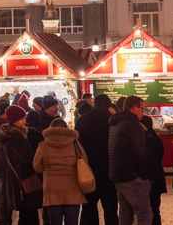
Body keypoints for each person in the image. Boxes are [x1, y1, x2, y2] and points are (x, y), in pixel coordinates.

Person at [108, 95, 153, 225]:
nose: (143, 112)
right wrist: (144, 176)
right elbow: (140, 152)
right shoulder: (133, 125)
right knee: (144, 213)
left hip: (118, 175)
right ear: (134, 108)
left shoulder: (115, 123)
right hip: (132, 176)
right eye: (142, 108)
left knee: (125, 213)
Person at [33, 117, 87, 225]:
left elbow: (37, 167)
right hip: (73, 187)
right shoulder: (75, 144)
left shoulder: (43, 145)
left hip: (52, 188)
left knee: (54, 221)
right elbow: (84, 161)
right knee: (72, 221)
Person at [77, 94, 117, 225]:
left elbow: (77, 145)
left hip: (88, 169)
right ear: (108, 106)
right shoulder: (110, 120)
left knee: (88, 208)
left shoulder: (83, 120)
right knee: (110, 208)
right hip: (108, 170)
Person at [1, 106, 42, 225]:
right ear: (13, 120)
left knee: (26, 213)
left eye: (24, 118)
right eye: (20, 119)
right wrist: (35, 166)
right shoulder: (16, 135)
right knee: (29, 212)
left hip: (16, 176)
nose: (24, 121)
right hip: (23, 176)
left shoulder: (12, 133)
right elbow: (25, 157)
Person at [136, 116, 166, 225]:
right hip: (157, 178)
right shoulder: (156, 138)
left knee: (146, 209)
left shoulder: (145, 140)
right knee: (154, 208)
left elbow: (148, 160)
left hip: (149, 179)